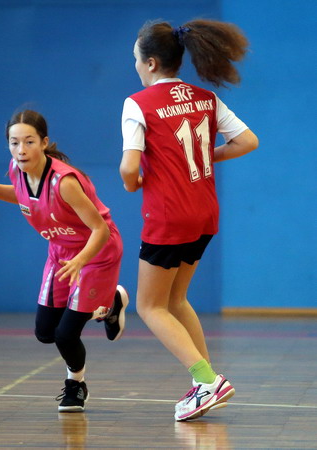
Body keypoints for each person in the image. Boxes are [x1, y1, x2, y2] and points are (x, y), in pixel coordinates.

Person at [120, 19, 259, 421]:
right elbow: (248, 141)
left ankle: (207, 381)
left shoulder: (138, 103)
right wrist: (202, 157)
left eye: (135, 59)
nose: (134, 66)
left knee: (150, 306)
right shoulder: (205, 98)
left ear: (150, 63)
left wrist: (131, 182)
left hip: (169, 216)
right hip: (204, 213)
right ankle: (207, 381)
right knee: (176, 299)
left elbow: (129, 167)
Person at [0, 109, 128, 412]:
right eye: (14, 143)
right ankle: (110, 304)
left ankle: (76, 384)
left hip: (95, 253)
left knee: (66, 335)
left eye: (29, 142)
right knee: (45, 332)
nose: (21, 149)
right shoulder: (17, 170)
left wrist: (81, 260)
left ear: (44, 143)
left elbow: (101, 229)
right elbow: (22, 195)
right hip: (61, 252)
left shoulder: (64, 182)